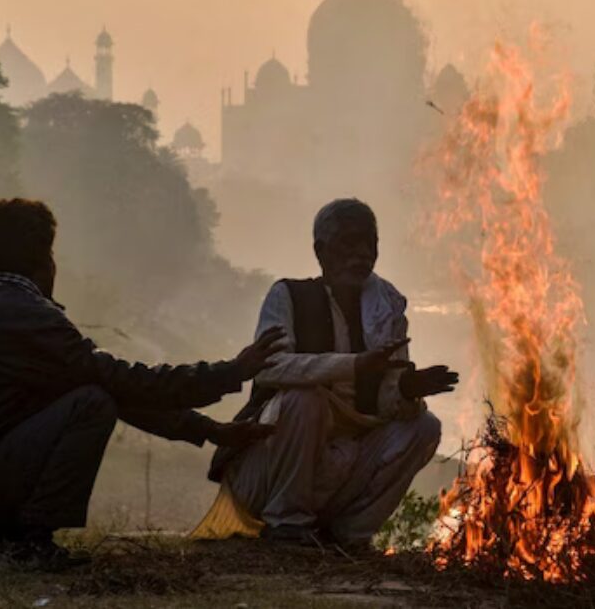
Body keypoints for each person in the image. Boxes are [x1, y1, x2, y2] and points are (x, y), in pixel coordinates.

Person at [0, 198, 286, 571]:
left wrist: (211, 429)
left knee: (94, 395)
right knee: (91, 402)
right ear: (44, 261)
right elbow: (123, 382)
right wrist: (231, 371)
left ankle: (14, 546)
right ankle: (29, 546)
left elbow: (120, 392)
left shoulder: (1, 310)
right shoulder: (23, 316)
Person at [194, 198, 458, 547]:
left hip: (341, 464)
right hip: (267, 471)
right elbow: (271, 368)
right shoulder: (287, 296)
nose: (362, 255)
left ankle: (350, 535)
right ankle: (286, 525)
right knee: (305, 398)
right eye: (350, 243)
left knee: (424, 426)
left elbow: (387, 402)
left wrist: (408, 388)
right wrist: (353, 364)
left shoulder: (386, 310)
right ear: (321, 252)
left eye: (370, 244)